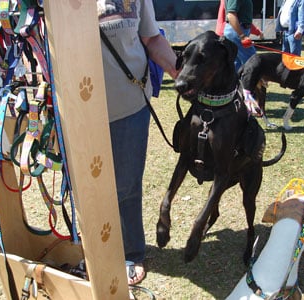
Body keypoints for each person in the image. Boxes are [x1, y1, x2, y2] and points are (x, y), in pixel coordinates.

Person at [97, 0, 178, 285]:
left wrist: (180, 71)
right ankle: (92, 247)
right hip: (80, 112)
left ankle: (130, 250)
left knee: (127, 187)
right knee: (84, 187)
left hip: (131, 106)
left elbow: (152, 38)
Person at [223, 0, 262, 72]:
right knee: (252, 60)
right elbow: (231, 15)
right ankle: (253, 82)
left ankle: (237, 82)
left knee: (237, 64)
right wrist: (242, 36)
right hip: (236, 32)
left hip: (236, 31)